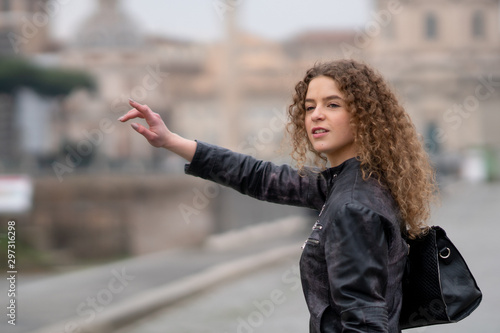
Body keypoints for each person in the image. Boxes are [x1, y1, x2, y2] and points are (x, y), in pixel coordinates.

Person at [118, 59, 437, 333]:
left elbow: (364, 322)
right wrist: (171, 140)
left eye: (332, 104)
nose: (316, 115)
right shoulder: (353, 184)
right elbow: (260, 177)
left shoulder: (353, 206)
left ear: (364, 116)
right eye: (309, 106)